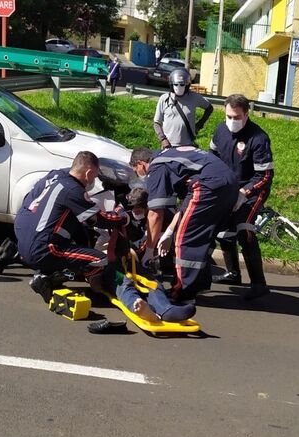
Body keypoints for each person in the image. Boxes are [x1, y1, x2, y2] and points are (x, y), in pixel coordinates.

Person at [14, 151, 130, 302]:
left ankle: (42, 268)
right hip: (44, 249)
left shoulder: (58, 180)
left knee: (80, 237)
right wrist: (122, 217)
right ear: (88, 173)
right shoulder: (74, 190)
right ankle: (49, 280)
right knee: (99, 259)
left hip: (24, 241)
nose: (93, 180)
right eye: (94, 176)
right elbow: (99, 219)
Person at [129, 146, 237, 302]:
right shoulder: (170, 157)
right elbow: (186, 206)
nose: (138, 174)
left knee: (185, 240)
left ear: (141, 163)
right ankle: (200, 284)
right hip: (227, 184)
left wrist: (149, 250)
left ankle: (182, 292)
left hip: (209, 185)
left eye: (135, 170)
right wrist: (169, 232)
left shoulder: (156, 167)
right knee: (200, 237)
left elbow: (155, 213)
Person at [210, 94, 274, 300]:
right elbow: (211, 158)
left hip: (253, 189)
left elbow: (265, 175)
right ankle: (233, 273)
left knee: (243, 228)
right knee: (222, 226)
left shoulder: (259, 138)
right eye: (229, 116)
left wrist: (244, 192)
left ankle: (259, 283)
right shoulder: (220, 130)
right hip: (228, 186)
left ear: (246, 114)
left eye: (237, 117)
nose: (232, 121)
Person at [153, 68, 213, 149]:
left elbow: (209, 108)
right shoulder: (164, 99)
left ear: (187, 85)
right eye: (176, 84)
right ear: (171, 84)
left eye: (182, 85)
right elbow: (157, 123)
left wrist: (199, 125)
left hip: (187, 145)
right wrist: (163, 139)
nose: (179, 87)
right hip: (169, 145)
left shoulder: (194, 97)